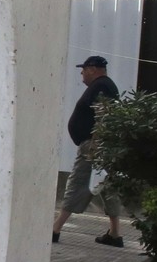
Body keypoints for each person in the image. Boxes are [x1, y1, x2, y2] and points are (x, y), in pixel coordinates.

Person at [53, 54, 124, 247]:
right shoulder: (104, 85)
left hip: (93, 145)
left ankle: (55, 229)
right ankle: (115, 233)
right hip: (100, 144)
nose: (82, 74)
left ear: (93, 69)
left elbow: (104, 115)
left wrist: (96, 142)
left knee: (78, 182)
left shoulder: (101, 86)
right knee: (107, 186)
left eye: (83, 69)